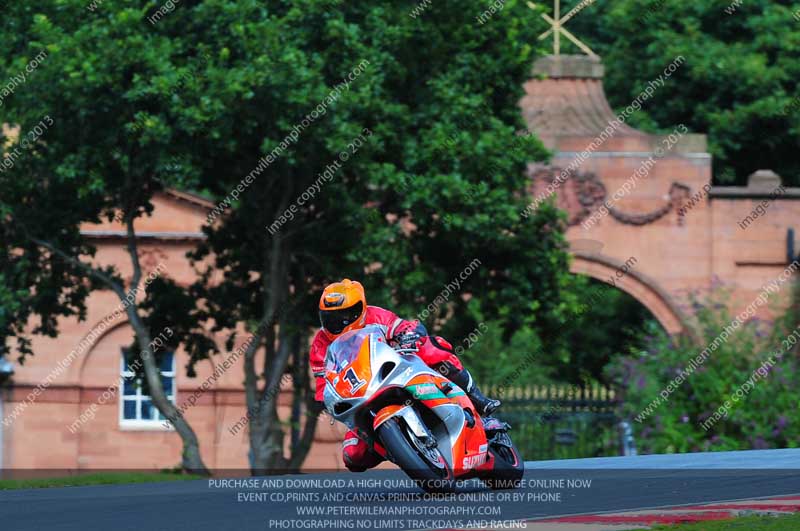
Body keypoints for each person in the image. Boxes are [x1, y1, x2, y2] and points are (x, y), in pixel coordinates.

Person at [309, 278, 500, 472]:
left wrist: (411, 336)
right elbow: (322, 386)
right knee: (352, 456)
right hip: (360, 397)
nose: (337, 323)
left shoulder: (376, 316)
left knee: (432, 346)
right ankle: (398, 447)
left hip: (396, 371)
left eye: (345, 316)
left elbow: (405, 327)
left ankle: (477, 400)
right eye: (330, 318)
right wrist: (328, 400)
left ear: (360, 309)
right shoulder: (320, 344)